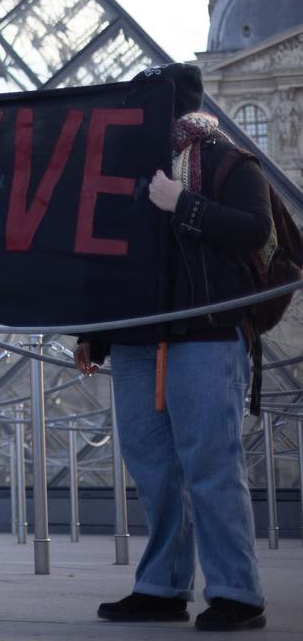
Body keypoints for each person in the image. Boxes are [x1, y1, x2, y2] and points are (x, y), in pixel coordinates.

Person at [76, 63, 268, 631]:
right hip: (136, 339)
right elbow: (108, 258)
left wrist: (181, 202)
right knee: (154, 468)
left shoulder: (232, 162)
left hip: (206, 332)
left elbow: (256, 231)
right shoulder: (122, 173)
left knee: (210, 464)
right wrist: (96, 331)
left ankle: (238, 592)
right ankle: (161, 586)